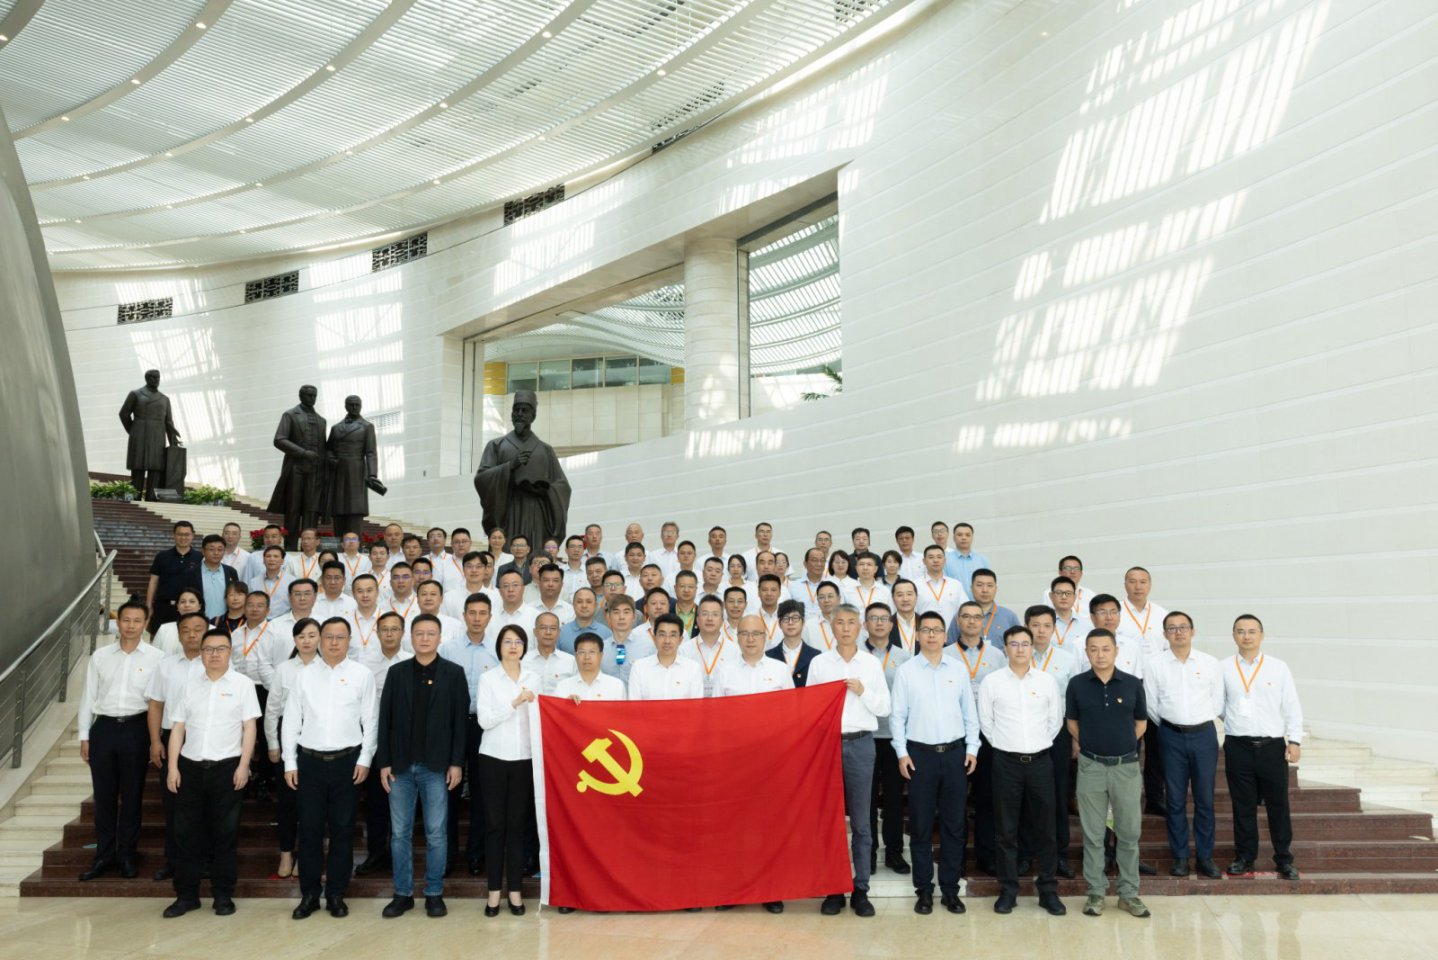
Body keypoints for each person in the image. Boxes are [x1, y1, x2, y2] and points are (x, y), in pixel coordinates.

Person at [160, 627, 260, 918]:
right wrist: (172, 767)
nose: (214, 654)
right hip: (189, 768)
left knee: (225, 834)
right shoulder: (189, 685)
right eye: (208, 649)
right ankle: (186, 896)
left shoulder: (243, 685)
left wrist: (244, 765)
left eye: (220, 649)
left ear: (230, 652)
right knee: (185, 834)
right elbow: (178, 728)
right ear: (201, 653)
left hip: (227, 769)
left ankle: (223, 895)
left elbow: (249, 728)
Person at [283, 617, 378, 919]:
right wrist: (289, 761)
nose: (334, 642)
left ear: (349, 640)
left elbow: (370, 720)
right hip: (309, 763)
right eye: (329, 637)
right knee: (309, 830)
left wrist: (365, 759)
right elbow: (291, 720)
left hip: (347, 763)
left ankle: (336, 893)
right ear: (321, 640)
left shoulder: (362, 675)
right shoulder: (304, 676)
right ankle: (309, 894)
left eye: (340, 637)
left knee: (343, 830)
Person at [375, 614, 469, 918]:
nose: (425, 638)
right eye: (419, 633)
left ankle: (434, 892)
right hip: (400, 767)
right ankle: (402, 894)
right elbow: (385, 720)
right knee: (399, 834)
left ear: (440, 638)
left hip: (437, 766)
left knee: (436, 833)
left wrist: (456, 763)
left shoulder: (454, 673)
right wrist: (384, 762)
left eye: (431, 633)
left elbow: (460, 723)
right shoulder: (397, 672)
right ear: (411, 637)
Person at [890, 611, 977, 916]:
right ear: (917, 635)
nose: (931, 635)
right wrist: (901, 753)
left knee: (954, 826)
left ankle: (950, 890)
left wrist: (972, 748)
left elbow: (969, 713)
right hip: (920, 757)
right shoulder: (906, 671)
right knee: (921, 827)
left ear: (944, 635)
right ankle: (924, 890)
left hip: (954, 755)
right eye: (925, 630)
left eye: (937, 630)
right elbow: (897, 716)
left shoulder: (958, 669)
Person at [808, 604, 889, 918]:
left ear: (860, 627)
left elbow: (884, 708)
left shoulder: (870, 663)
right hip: (827, 746)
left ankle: (861, 889)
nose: (844, 628)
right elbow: (810, 708)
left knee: (862, 822)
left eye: (850, 622)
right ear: (831, 627)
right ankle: (833, 889)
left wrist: (863, 691)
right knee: (830, 820)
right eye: (839, 622)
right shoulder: (819, 663)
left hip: (861, 744)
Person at [979, 626, 1066, 916]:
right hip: (1006, 763)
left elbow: (1055, 721)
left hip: (1041, 762)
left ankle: (1048, 890)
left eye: (1025, 644)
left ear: (1032, 648)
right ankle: (1008, 890)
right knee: (1005, 830)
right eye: (1014, 644)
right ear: (1005, 648)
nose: (1019, 649)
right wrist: (1008, 745)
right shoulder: (992, 682)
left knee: (1046, 829)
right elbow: (986, 722)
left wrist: (1036, 745)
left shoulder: (1046, 681)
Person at [78, 599, 166, 881]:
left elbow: (158, 702)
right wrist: (84, 735)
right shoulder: (100, 656)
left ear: (145, 624)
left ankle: (127, 854)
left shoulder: (157, 658)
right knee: (103, 796)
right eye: (126, 620)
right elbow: (88, 696)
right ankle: (103, 855)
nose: (130, 626)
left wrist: (156, 738)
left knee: (132, 795)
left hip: (137, 728)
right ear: (118, 622)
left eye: (137, 621)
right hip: (103, 729)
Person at [1066, 628, 1150, 919]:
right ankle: (1096, 893)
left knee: (1128, 833)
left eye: (1105, 649)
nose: (1100, 655)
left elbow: (1141, 723)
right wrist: (1091, 745)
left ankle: (1129, 894)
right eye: (1093, 649)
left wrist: (1122, 744)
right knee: (1093, 834)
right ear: (1086, 652)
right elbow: (1072, 722)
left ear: (1116, 651)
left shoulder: (1132, 684)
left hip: (1126, 768)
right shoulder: (1077, 684)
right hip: (1091, 767)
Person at [1143, 611, 1224, 879]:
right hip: (1170, 736)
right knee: (1175, 800)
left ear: (1193, 631)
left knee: (1204, 799)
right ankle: (1180, 857)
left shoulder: (1210, 663)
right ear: (1164, 634)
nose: (1178, 632)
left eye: (1183, 627)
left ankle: (1205, 857)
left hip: (1203, 736)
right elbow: (1151, 705)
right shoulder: (1155, 664)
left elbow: (1217, 702)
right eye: (1172, 628)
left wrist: (1196, 721)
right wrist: (1173, 725)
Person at [1222, 614, 1303, 880]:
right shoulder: (1223, 668)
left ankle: (1284, 859)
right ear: (1233, 635)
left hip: (1272, 746)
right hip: (1238, 745)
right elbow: (1218, 704)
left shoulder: (1278, 667)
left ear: (1262, 635)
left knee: (1278, 805)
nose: (1246, 636)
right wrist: (1235, 720)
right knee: (1242, 805)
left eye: (1252, 631)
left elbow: (1291, 705)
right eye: (1240, 631)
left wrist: (1294, 740)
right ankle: (1245, 857)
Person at [477, 625, 539, 916]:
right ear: (499, 646)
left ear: (525, 647)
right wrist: (514, 703)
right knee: (494, 827)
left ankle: (515, 891)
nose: (513, 646)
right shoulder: (488, 678)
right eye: (507, 641)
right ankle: (493, 893)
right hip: (493, 757)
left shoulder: (534, 678)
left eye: (518, 642)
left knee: (517, 827)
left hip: (524, 758)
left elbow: (544, 714)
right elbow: (484, 720)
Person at [1017, 605, 1079, 879]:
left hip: (1058, 734)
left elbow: (1074, 702)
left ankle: (1059, 855)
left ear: (1054, 629)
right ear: (1026, 627)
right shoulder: (1018, 656)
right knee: (1024, 797)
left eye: (1046, 626)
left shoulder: (1066, 659)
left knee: (1057, 795)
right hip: (1022, 735)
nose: (1040, 631)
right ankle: (1025, 854)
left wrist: (1075, 738)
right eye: (1035, 625)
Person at [439, 593, 500, 875]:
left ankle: (476, 853)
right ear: (463, 615)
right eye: (472, 613)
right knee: (448, 790)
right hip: (452, 725)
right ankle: (448, 853)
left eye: (482, 613)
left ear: (490, 617)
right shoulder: (448, 649)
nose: (477, 618)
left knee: (481, 791)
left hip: (484, 726)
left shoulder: (497, 650)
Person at [144, 611, 206, 882]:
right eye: (186, 630)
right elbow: (155, 705)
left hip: (206, 739)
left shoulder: (218, 663)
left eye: (198, 629)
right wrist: (156, 740)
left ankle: (204, 862)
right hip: (171, 740)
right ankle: (173, 861)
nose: (192, 635)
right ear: (178, 635)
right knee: (173, 804)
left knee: (204, 805)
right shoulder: (166, 665)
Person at [947, 599, 1005, 875]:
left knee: (987, 798)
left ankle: (986, 855)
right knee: (955, 799)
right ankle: (956, 857)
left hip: (988, 735)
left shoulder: (997, 656)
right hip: (955, 734)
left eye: (976, 617)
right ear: (958, 621)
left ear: (983, 622)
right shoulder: (945, 654)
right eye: (966, 616)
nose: (971, 621)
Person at [264, 617, 320, 881]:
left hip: (317, 740)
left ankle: (308, 855)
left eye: (312, 635)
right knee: (287, 802)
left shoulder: (327, 667)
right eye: (301, 636)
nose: (306, 641)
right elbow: (272, 710)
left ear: (319, 638)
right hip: (287, 739)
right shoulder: (284, 669)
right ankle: (286, 853)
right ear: (295, 640)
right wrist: (273, 743)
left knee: (313, 803)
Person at [863, 603, 911, 877]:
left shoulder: (905, 657)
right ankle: (868, 852)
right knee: (866, 799)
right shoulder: (856, 656)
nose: (879, 623)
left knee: (894, 798)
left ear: (892, 625)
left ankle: (894, 852)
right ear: (865, 624)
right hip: (865, 736)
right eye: (873, 618)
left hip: (894, 738)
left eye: (884, 619)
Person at [1118, 566, 1169, 815]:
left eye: (1143, 581)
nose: (1138, 586)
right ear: (1124, 584)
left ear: (1150, 584)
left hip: (1156, 686)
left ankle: (1155, 797)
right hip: (1128, 685)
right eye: (1132, 581)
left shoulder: (1161, 614)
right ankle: (1128, 798)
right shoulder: (1116, 613)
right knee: (1130, 745)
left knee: (1157, 747)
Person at [267, 385, 328, 549]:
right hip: (295, 468)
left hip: (315, 471)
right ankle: (290, 547)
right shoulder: (290, 415)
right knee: (293, 509)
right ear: (301, 396)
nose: (312, 398)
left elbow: (324, 447)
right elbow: (279, 439)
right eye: (308, 395)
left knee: (312, 510)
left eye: (314, 395)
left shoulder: (322, 421)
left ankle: (309, 548)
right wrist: (303, 452)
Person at [118, 368, 181, 500]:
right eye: (153, 377)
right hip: (140, 435)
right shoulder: (135, 394)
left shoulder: (164, 399)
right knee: (138, 469)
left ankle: (152, 500)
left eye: (158, 377)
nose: (156, 380)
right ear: (147, 379)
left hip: (158, 437)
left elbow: (169, 422)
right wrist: (133, 431)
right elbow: (124, 414)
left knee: (155, 469)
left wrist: (173, 441)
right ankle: (134, 500)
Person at [629, 614, 704, 700]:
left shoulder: (693, 669)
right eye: (662, 634)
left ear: (680, 640)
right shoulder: (639, 668)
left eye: (673, 635)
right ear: (654, 638)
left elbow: (697, 706)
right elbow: (634, 705)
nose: (667, 641)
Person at [147, 521, 203, 636]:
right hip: (164, 608)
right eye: (180, 534)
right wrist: (148, 606)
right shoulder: (162, 556)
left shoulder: (200, 558)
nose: (183, 538)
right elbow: (153, 582)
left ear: (192, 535)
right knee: (160, 641)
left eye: (187, 534)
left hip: (189, 609)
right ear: (174, 535)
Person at [681, 595, 740, 696]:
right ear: (698, 620)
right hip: (693, 703)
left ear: (722, 621)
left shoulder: (735, 650)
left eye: (715, 614)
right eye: (705, 614)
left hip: (724, 703)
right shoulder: (684, 650)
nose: (709, 618)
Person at [949, 569, 1018, 647]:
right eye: (979, 585)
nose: (985, 590)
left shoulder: (1009, 616)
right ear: (971, 588)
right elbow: (950, 646)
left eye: (989, 585)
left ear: (996, 589)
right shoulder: (961, 616)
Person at [599, 595, 655, 685]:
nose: (621, 617)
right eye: (616, 612)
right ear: (608, 617)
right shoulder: (601, 648)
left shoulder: (648, 645)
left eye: (626, 612)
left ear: (634, 616)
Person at [556, 633, 627, 701]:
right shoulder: (563, 686)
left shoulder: (616, 686)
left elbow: (622, 710)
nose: (587, 657)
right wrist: (566, 704)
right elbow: (556, 709)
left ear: (601, 655)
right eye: (582, 652)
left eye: (592, 652)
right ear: (576, 655)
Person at [766, 599, 820, 687]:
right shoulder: (768, 656)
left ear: (803, 622)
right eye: (786, 618)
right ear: (779, 624)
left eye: (795, 618)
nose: (790, 622)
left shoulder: (816, 656)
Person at [522, 611, 577, 694]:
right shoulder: (523, 660)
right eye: (543, 628)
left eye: (553, 628)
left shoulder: (571, 661)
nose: (548, 632)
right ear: (535, 632)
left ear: (559, 632)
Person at [915, 545, 966, 626]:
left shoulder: (956, 585)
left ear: (944, 561)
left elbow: (965, 610)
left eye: (939, 557)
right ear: (924, 561)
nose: (935, 560)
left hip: (951, 633)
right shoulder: (915, 585)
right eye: (931, 557)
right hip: (925, 632)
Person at [195, 534, 239, 620]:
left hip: (225, 622)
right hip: (200, 620)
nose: (216, 553)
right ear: (203, 551)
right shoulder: (191, 573)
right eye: (211, 549)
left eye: (220, 549)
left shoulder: (231, 572)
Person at [150, 588, 203, 656]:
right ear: (177, 606)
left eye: (192, 602)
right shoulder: (164, 629)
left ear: (199, 606)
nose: (187, 605)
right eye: (183, 602)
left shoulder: (211, 630)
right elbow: (154, 656)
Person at [557, 587, 610, 654]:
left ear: (595, 605)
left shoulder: (607, 633)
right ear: (573, 605)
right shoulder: (561, 633)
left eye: (589, 602)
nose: (584, 606)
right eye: (579, 602)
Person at [247, 545, 294, 619]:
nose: (272, 559)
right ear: (263, 560)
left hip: (283, 621)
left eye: (276, 556)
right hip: (259, 621)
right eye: (268, 556)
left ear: (282, 561)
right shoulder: (254, 582)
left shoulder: (292, 582)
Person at [1046, 576, 1091, 653]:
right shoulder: (1042, 625)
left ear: (1074, 597)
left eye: (1068, 593)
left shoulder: (1087, 626)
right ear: (1051, 596)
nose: (1064, 597)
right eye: (1059, 593)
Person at [844, 553, 893, 617]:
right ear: (856, 568)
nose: (865, 568)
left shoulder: (885, 591)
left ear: (875, 569)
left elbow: (890, 614)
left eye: (869, 564)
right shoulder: (846, 590)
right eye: (861, 564)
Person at [791, 547, 830, 618]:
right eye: (814, 560)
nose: (819, 564)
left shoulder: (832, 585)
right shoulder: (793, 586)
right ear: (805, 564)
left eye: (822, 560)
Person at [891, 579, 920, 653]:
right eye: (900, 595)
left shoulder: (926, 623)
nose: (905, 599)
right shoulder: (886, 625)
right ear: (893, 599)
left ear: (916, 597)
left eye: (909, 594)